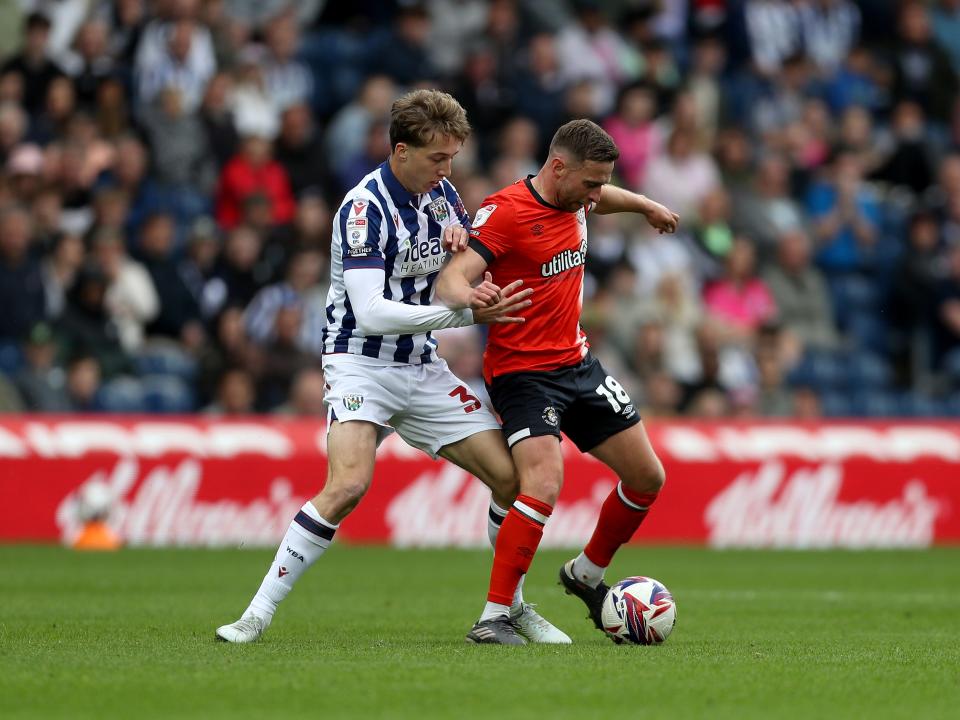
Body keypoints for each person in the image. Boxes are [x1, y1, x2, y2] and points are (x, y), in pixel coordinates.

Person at [215, 89, 570, 645]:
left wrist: (462, 251)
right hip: (360, 363)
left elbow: (457, 267)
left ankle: (507, 609)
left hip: (421, 366)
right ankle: (254, 617)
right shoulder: (364, 209)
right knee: (348, 484)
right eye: (437, 158)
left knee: (511, 480)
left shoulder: (442, 195)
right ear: (401, 151)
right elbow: (372, 313)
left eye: (452, 158)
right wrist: (465, 314)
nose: (447, 170)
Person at [437, 118, 679, 644]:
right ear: (558, 167)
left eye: (601, 183)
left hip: (577, 362)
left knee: (647, 478)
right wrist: (471, 297)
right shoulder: (506, 211)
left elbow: (604, 197)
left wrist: (645, 205)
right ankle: (494, 616)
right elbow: (451, 277)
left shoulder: (579, 196)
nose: (595, 195)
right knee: (543, 482)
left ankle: (585, 574)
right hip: (522, 372)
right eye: (590, 183)